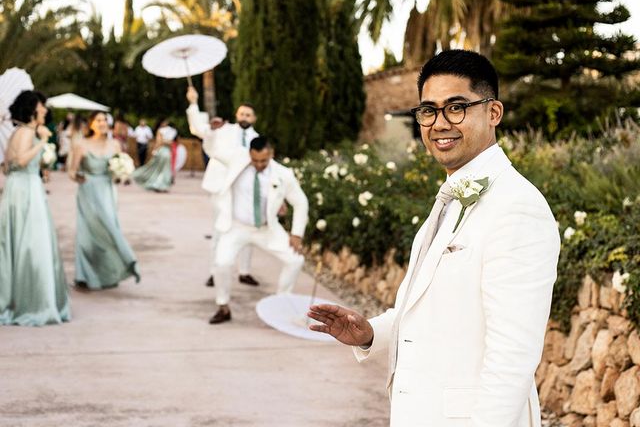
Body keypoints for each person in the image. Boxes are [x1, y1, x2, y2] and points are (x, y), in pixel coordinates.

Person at [308, 50, 560, 427]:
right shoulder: (449, 198)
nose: (440, 123)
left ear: (493, 113)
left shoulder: (517, 207)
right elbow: (433, 315)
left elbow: (512, 359)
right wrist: (370, 334)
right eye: (429, 110)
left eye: (456, 107)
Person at [208, 136, 308, 324]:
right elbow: (212, 148)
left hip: (266, 228)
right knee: (221, 263)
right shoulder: (237, 159)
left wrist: (296, 234)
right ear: (249, 154)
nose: (259, 164)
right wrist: (212, 131)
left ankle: (281, 303)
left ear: (271, 154)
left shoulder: (284, 174)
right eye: (255, 160)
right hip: (235, 227)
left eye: (263, 160)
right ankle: (223, 307)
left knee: (295, 260)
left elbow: (301, 202)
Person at [0, 90, 70, 326]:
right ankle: (34, 301)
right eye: (41, 106)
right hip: (26, 191)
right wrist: (42, 142)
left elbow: (5, 167)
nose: (44, 110)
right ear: (32, 109)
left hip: (22, 187)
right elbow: (17, 162)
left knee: (24, 239)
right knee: (32, 241)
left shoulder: (17, 132)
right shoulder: (26, 132)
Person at [185, 87, 260, 288]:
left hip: (245, 192)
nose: (244, 116)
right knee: (220, 230)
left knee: (247, 229)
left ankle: (244, 271)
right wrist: (193, 102)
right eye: (242, 113)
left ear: (254, 118)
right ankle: (214, 271)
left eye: (248, 114)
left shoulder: (258, 139)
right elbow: (198, 130)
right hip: (221, 189)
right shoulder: (222, 130)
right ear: (237, 114)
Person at [68, 111, 140, 290]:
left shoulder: (115, 144)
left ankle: (111, 270)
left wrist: (120, 175)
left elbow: (119, 167)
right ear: (91, 124)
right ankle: (83, 275)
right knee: (88, 233)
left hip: (107, 191)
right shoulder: (81, 145)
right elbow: (71, 171)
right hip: (88, 191)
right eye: (98, 120)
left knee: (108, 230)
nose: (102, 123)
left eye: (104, 120)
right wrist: (78, 177)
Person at [131, 119, 175, 192]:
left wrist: (155, 150)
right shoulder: (171, 131)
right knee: (164, 168)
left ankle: (158, 184)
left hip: (162, 151)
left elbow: (159, 142)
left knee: (157, 168)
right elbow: (170, 142)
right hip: (167, 152)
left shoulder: (161, 130)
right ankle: (163, 184)